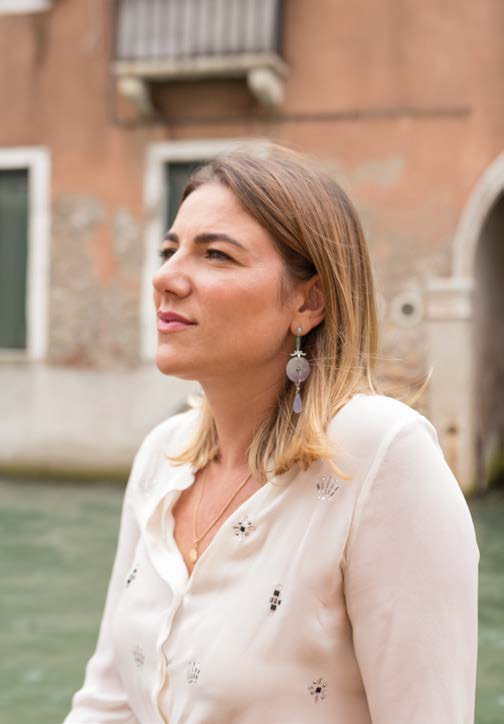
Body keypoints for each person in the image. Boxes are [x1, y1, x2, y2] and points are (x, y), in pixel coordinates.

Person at [63, 144, 479, 724]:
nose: (165, 277)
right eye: (169, 250)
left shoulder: (383, 454)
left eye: (216, 255)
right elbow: (107, 706)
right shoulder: (162, 457)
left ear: (308, 302)